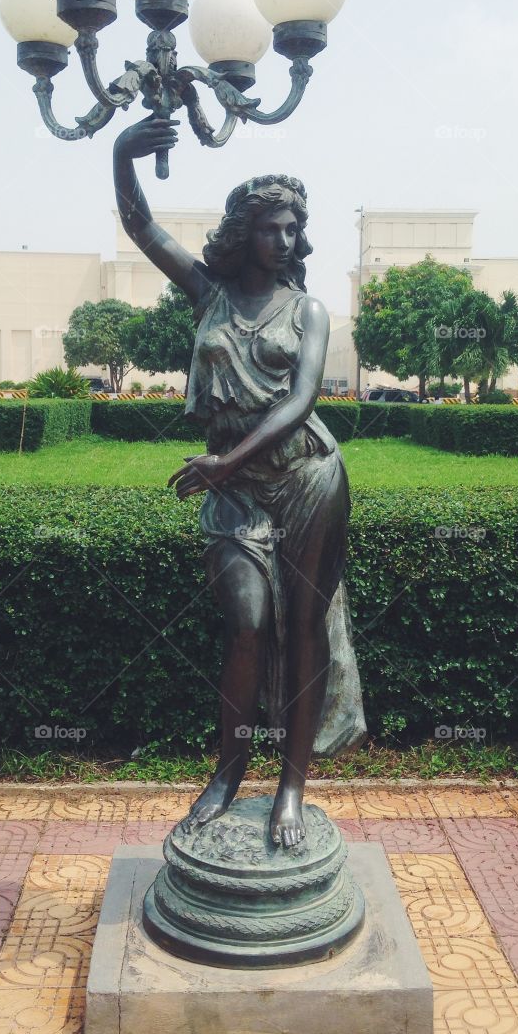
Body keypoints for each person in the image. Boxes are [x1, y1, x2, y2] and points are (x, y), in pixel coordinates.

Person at [113, 115, 360, 849]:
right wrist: (122, 153)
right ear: (243, 231)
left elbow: (301, 399)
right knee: (247, 624)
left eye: (293, 230)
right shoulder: (208, 292)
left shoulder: (309, 309)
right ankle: (227, 770)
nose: (282, 241)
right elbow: (139, 223)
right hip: (236, 494)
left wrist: (224, 460)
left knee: (304, 628)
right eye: (269, 228)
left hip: (306, 478)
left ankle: (291, 786)